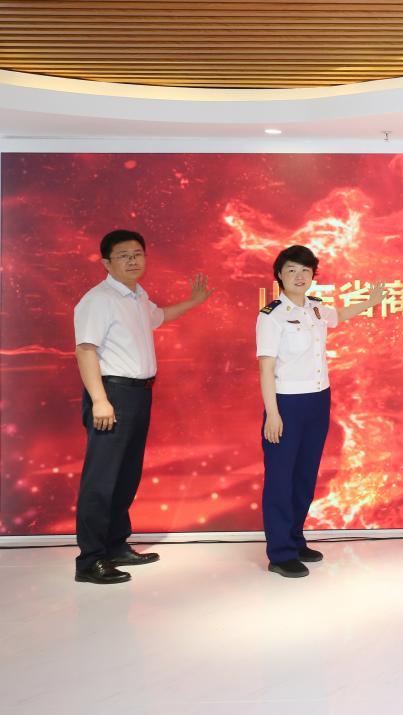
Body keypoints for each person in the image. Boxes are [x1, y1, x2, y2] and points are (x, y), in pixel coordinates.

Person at [72, 229, 213, 585]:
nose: (133, 260)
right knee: (102, 479)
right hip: (112, 394)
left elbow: (159, 316)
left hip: (138, 394)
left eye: (137, 254)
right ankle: (90, 560)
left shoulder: (136, 296)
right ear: (106, 263)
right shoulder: (98, 300)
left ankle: (116, 546)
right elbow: (85, 350)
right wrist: (100, 400)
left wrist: (194, 302)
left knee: (126, 475)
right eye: (124, 255)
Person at [256, 245, 385, 578]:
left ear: (313, 275)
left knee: (305, 474)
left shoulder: (315, 308)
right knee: (281, 478)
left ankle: (295, 539)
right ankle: (280, 553)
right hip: (286, 403)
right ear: (279, 275)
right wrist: (272, 413)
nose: (299, 276)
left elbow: (339, 315)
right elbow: (266, 366)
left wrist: (371, 301)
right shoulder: (271, 316)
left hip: (318, 400)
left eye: (305, 270)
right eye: (291, 270)